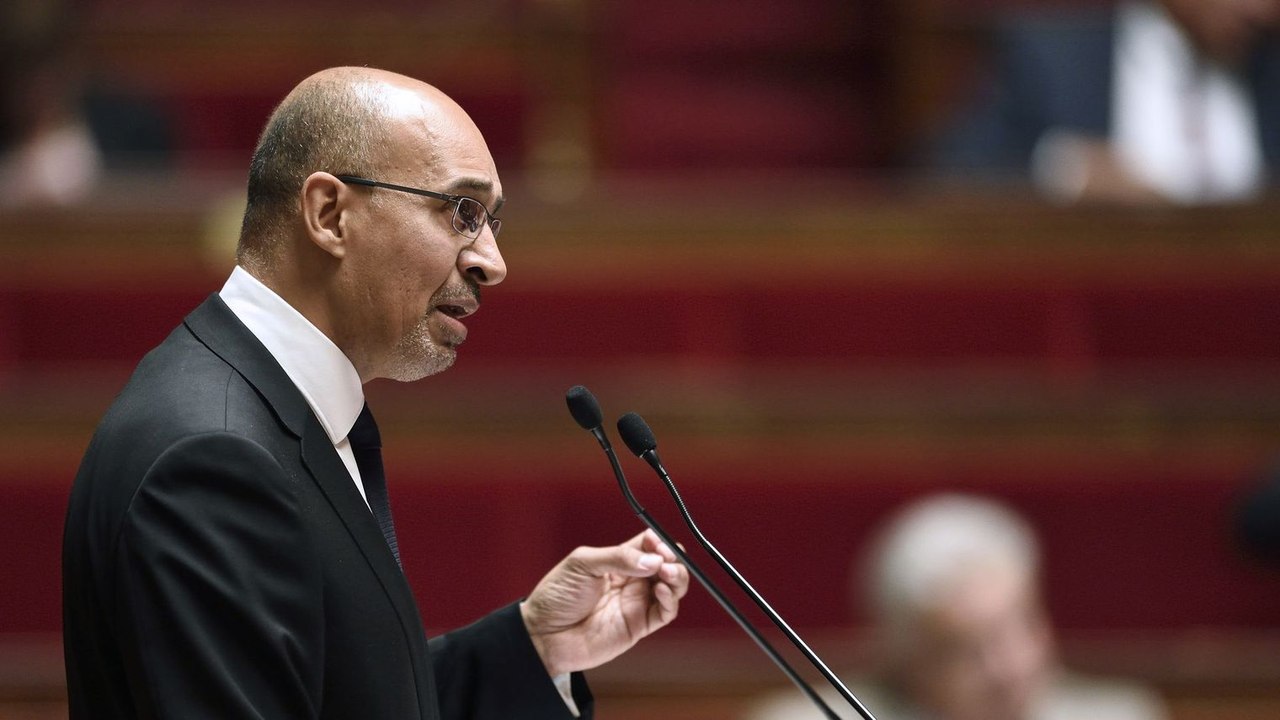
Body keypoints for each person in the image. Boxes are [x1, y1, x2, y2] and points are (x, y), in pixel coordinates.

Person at [61, 67, 690, 720]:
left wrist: (532, 648)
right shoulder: (212, 457)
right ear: (329, 213)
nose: (492, 262)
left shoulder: (268, 408)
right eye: (462, 212)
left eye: (493, 221)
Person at [744, 494, 1166, 720]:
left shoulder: (1122, 714)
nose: (1006, 669)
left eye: (1017, 629)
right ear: (905, 659)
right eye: (966, 651)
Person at [929, 0, 1280, 205]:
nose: (1261, 10)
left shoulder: (1271, 65)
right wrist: (1067, 172)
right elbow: (945, 173)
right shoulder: (1054, 54)